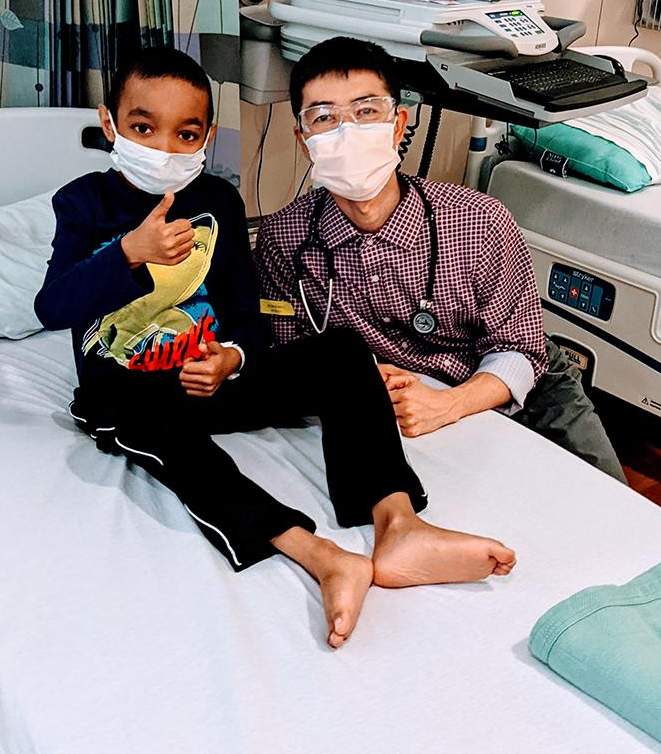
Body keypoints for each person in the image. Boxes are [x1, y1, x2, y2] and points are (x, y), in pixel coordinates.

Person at [35, 47, 517, 650]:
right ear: (110, 124)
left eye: (186, 133)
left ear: (208, 136)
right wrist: (130, 252)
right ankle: (320, 555)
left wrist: (231, 357)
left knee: (341, 351)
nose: (164, 147)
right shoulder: (81, 203)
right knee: (141, 412)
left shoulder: (219, 201)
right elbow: (52, 307)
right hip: (131, 391)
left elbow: (246, 316)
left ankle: (399, 525)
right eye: (143, 127)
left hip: (215, 380)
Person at [255, 37, 625, 483]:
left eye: (366, 111)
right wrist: (360, 379)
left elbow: (519, 350)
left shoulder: (479, 221)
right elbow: (290, 353)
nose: (347, 132)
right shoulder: (285, 240)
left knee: (610, 502)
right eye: (324, 118)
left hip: (513, 378)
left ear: (397, 125)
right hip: (390, 398)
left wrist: (447, 404)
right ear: (304, 141)